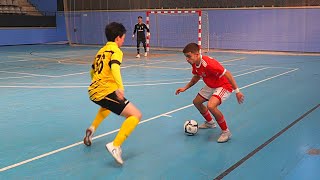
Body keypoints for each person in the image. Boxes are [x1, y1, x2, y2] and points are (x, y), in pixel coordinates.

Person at [83, 22, 142, 165]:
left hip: (93, 92)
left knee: (107, 107)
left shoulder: (101, 51)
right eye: (123, 38)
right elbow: (115, 67)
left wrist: (97, 83)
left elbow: (92, 71)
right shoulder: (116, 51)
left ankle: (92, 128)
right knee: (135, 115)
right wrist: (120, 87)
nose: (123, 40)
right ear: (117, 38)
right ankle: (115, 146)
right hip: (105, 92)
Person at [175, 43, 244, 143]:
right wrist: (185, 88)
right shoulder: (194, 64)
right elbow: (196, 77)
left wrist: (237, 91)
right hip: (211, 85)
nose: (187, 59)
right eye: (186, 57)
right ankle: (210, 123)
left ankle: (226, 132)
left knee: (211, 106)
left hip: (223, 85)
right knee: (197, 102)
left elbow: (227, 74)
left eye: (189, 56)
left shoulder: (209, 64)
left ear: (197, 54)